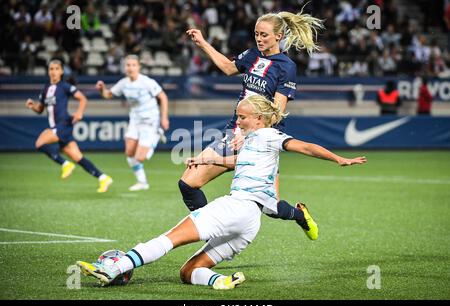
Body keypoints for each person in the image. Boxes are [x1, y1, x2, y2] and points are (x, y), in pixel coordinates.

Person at [76, 94, 367, 290]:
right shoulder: (255, 141)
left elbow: (304, 147)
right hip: (249, 225)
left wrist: (339, 158)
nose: (237, 122)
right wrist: (206, 159)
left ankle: (115, 267)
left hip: (235, 208)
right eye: (237, 117)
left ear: (260, 119)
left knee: (168, 239)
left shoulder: (270, 135)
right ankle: (220, 282)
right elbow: (238, 161)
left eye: (242, 118)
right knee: (188, 272)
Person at [180, 10, 324, 219]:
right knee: (188, 183)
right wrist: (202, 42)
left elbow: (276, 113)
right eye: (256, 34)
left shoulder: (286, 67)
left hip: (262, 141)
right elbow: (229, 68)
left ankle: (300, 216)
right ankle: (210, 229)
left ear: (279, 36)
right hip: (234, 134)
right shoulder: (252, 55)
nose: (259, 39)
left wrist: (249, 134)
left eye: (264, 35)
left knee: (271, 208)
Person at [25, 59, 113, 193]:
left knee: (39, 143)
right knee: (78, 157)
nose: (53, 72)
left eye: (56, 69)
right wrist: (32, 106)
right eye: (51, 69)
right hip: (58, 127)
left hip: (62, 125)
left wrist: (79, 112)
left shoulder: (64, 86)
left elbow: (83, 98)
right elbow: (40, 109)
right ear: (48, 71)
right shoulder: (45, 90)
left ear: (61, 71)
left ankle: (65, 164)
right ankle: (103, 178)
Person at [95, 55, 169, 191]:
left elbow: (163, 97)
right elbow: (108, 94)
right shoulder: (123, 83)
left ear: (138, 67)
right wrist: (101, 89)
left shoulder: (147, 82)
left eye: (133, 65)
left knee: (140, 157)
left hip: (150, 120)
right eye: (128, 65)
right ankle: (142, 182)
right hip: (135, 120)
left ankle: (157, 135)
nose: (130, 68)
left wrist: (164, 118)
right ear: (125, 67)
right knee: (129, 152)